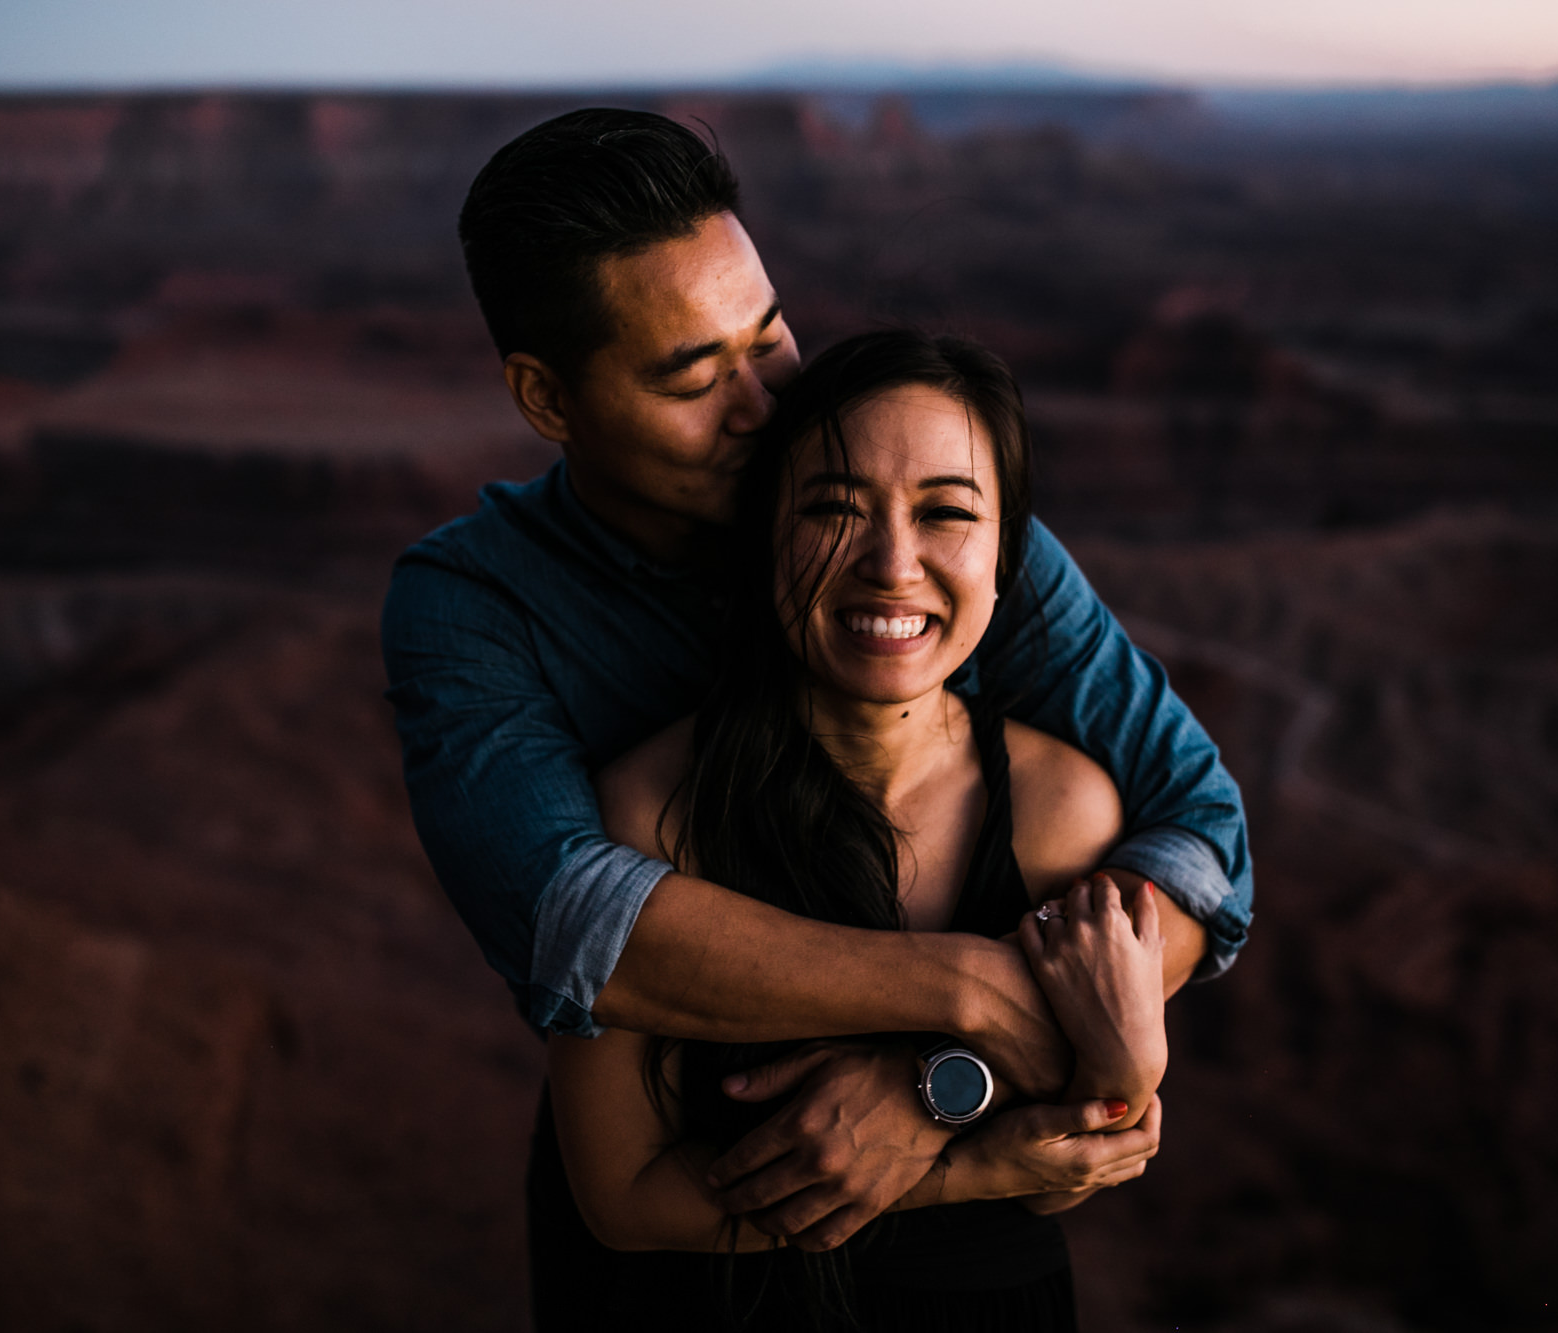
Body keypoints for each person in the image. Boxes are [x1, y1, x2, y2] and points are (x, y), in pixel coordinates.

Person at [380, 107, 1251, 1261]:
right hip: (700, 1191)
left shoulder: (935, 538)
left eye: (767, 337)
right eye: (694, 376)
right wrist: (975, 997)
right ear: (547, 400)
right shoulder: (472, 605)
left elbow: (1199, 832)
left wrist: (940, 1080)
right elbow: (579, 924)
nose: (764, 403)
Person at [540, 329, 1173, 1330]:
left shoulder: (1066, 814)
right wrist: (963, 1166)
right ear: (765, 541)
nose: (889, 564)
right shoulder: (648, 811)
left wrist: (1126, 1069)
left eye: (945, 513)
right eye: (833, 508)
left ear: (1006, 563)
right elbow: (620, 1201)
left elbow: (1077, 1165)